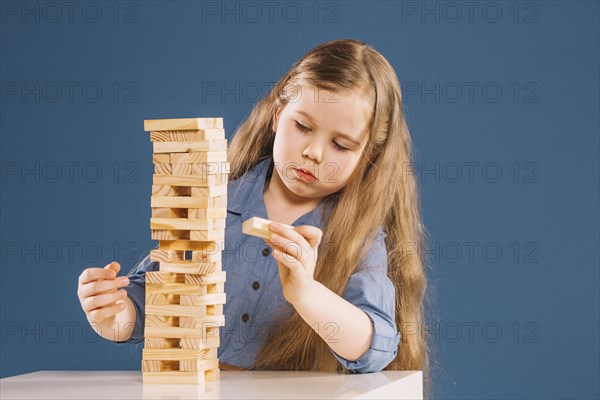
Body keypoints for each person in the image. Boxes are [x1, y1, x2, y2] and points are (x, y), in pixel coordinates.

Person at [77, 38, 431, 387]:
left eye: (340, 145)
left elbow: (375, 348)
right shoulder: (214, 198)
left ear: (366, 157)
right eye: (303, 127)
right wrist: (113, 313)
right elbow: (154, 305)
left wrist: (306, 293)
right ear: (278, 116)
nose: (314, 152)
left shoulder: (358, 235)